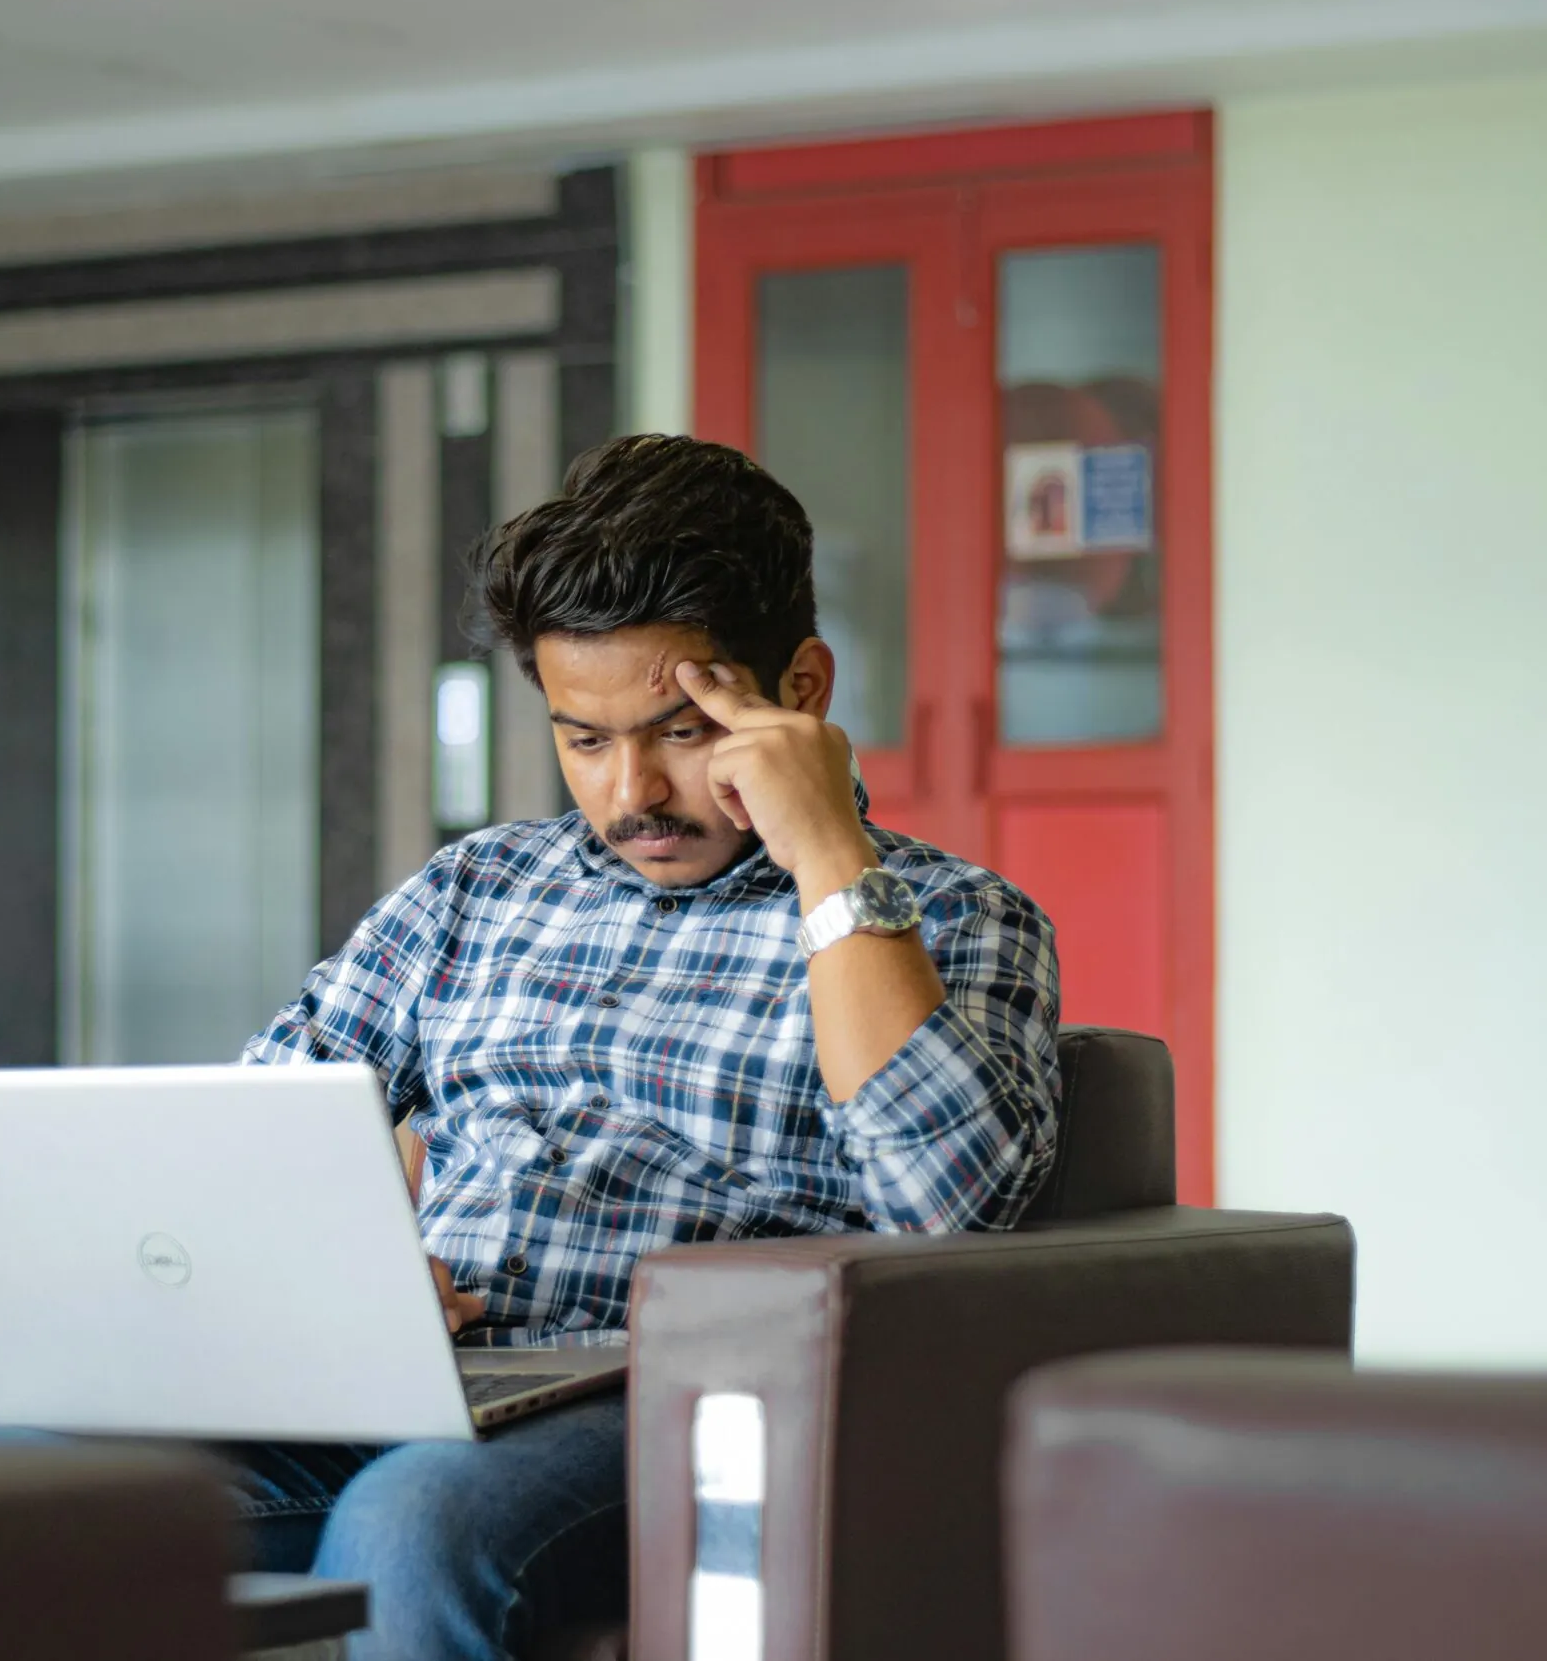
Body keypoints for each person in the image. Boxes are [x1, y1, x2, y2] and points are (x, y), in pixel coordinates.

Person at [230, 433, 1064, 1658]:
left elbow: (952, 1207)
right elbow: (262, 1131)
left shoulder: (948, 918)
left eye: (680, 732)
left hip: (677, 1401)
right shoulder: (474, 892)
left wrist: (830, 853)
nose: (631, 794)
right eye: (583, 740)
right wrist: (340, 1282)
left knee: (412, 1522)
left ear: (802, 692)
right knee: (20, 1485)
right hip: (421, 1379)